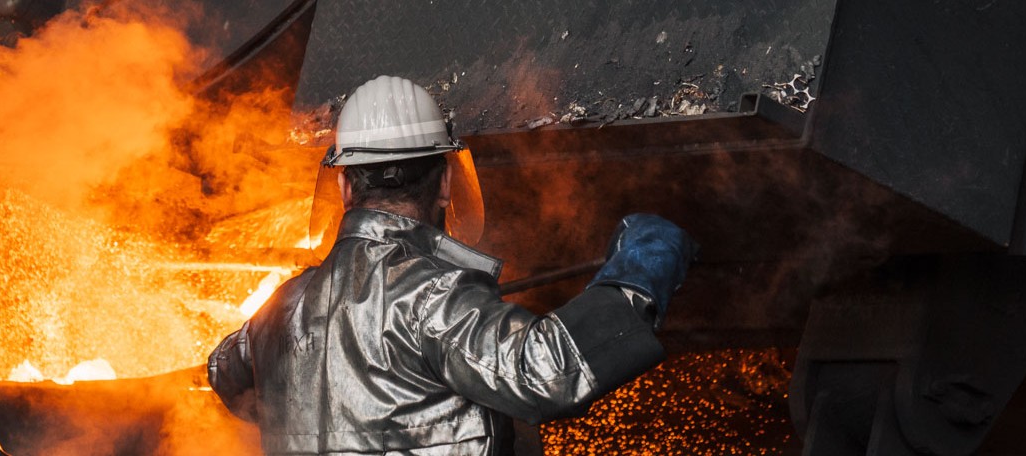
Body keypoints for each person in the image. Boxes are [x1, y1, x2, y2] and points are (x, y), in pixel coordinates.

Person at [207, 75, 698, 455]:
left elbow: (222, 369)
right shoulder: (430, 297)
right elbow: (546, 371)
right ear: (445, 184)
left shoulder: (275, 312)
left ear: (344, 187)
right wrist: (637, 278)